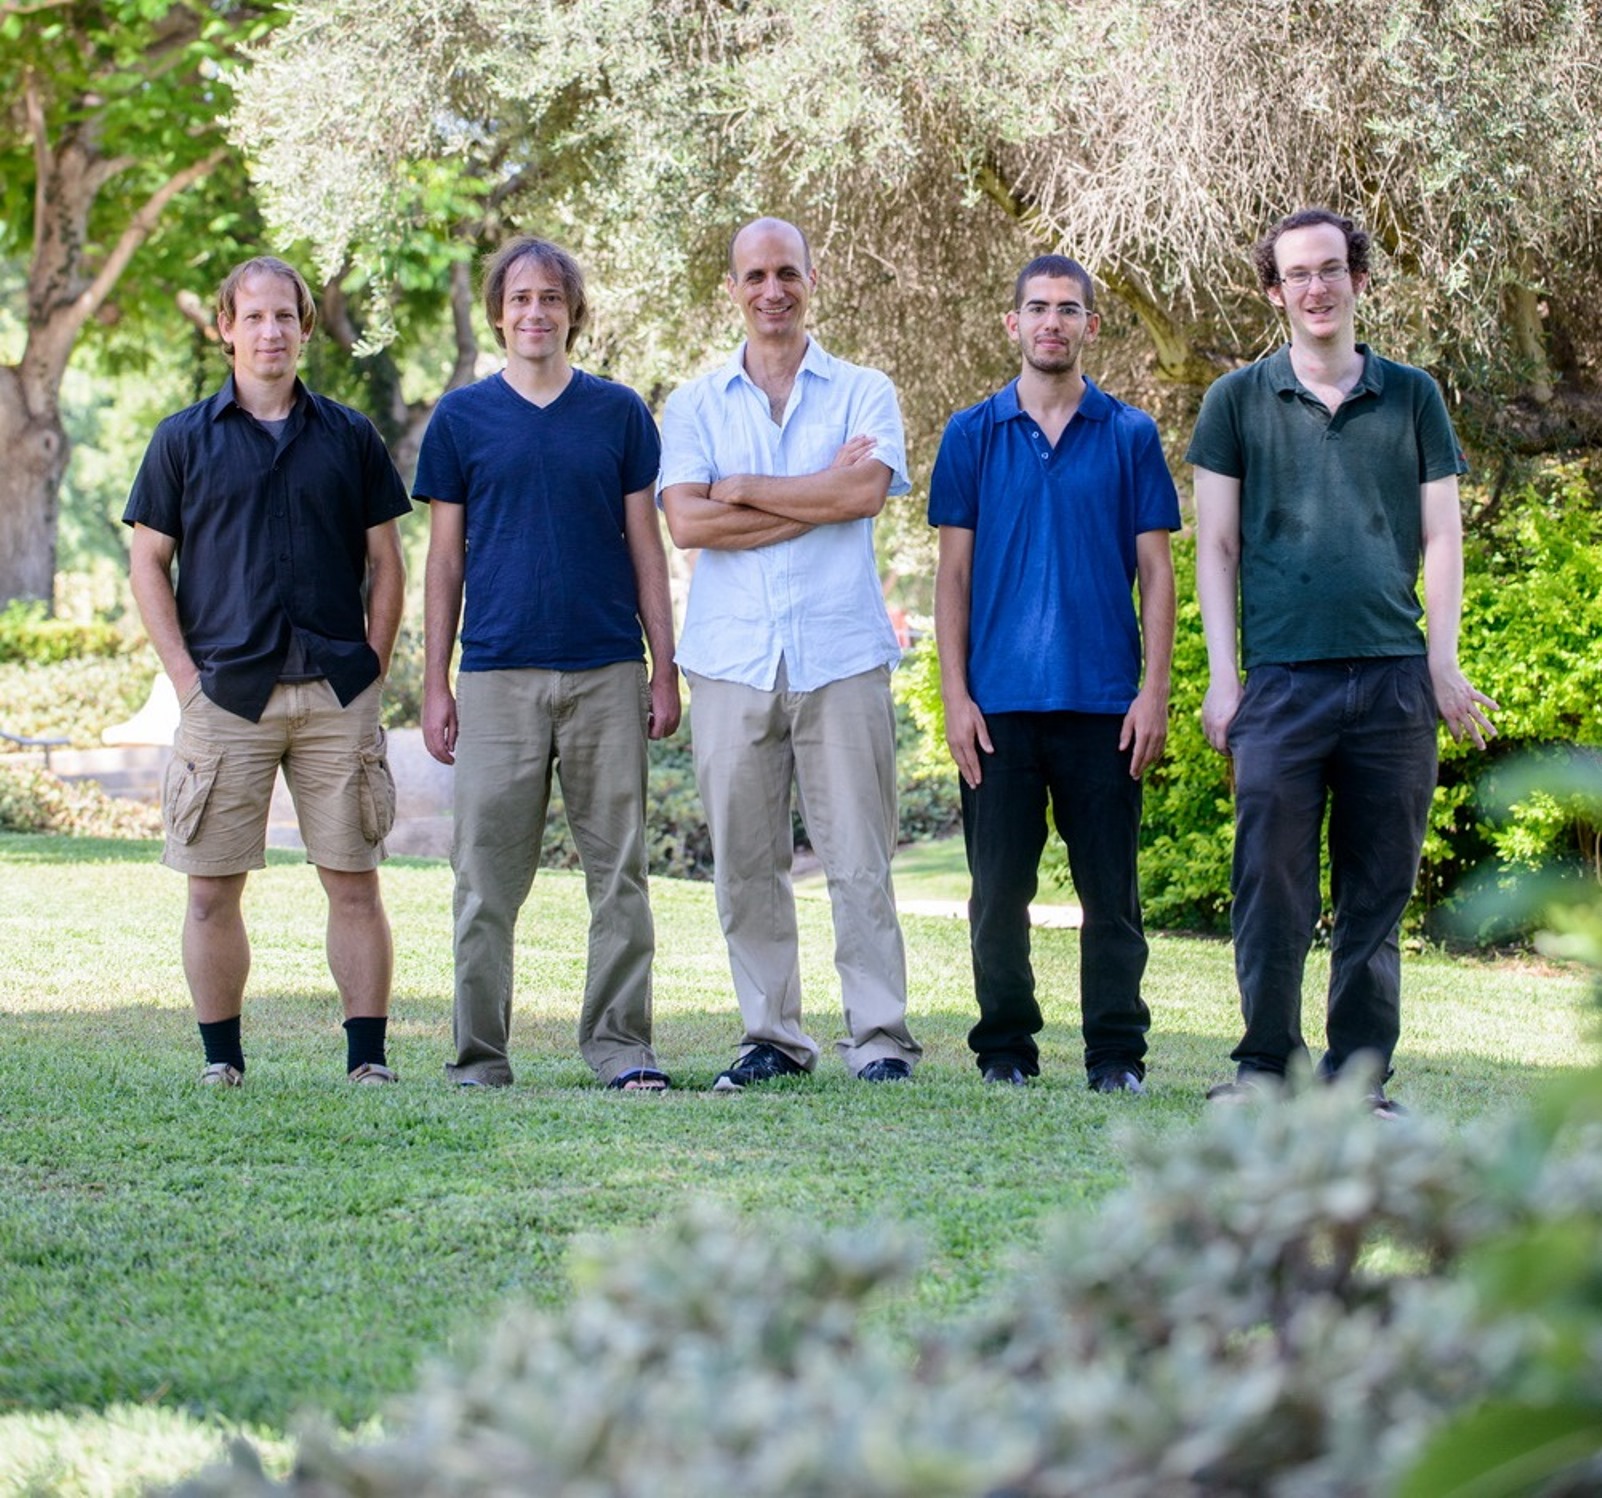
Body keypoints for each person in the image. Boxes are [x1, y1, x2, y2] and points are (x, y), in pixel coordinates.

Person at [1188, 207, 1498, 1116]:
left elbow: (1443, 536)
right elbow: (1215, 545)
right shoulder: (1236, 401)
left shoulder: (1413, 396)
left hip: (1396, 682)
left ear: (1358, 280)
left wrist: (1440, 663)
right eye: (1298, 275)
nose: (1316, 288)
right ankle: (1264, 1073)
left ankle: (1357, 1081)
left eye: (1332, 269)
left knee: (1376, 894)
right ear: (1275, 291)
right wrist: (1222, 675)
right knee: (1270, 887)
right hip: (1282, 684)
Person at [125, 255, 410, 1087]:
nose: (270, 331)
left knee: (354, 884)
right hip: (226, 696)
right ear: (225, 329)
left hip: (335, 692)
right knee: (211, 892)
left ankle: (368, 1063)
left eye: (285, 316)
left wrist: (375, 668)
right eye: (252, 317)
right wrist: (185, 682)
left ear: (306, 328)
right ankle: (223, 1063)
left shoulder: (350, 436)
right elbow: (148, 564)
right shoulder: (182, 439)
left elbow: (386, 564)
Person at [659, 216, 922, 1090]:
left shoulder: (863, 389)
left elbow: (866, 493)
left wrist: (744, 490)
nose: (773, 290)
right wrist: (816, 496)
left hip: (841, 653)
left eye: (788, 273)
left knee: (859, 855)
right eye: (756, 275)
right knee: (746, 861)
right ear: (731, 289)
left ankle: (879, 1037)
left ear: (812, 279)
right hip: (731, 662)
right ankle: (772, 1036)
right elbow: (689, 522)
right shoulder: (694, 404)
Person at [416, 235, 680, 1092]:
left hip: (607, 670)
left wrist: (663, 668)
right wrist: (435, 683)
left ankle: (620, 1048)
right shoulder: (460, 420)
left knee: (621, 879)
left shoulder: (619, 414)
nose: (536, 312)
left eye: (552, 299)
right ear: (499, 313)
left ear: (573, 314)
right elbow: (444, 561)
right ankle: (479, 1059)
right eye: (521, 299)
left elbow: (647, 548)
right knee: (485, 882)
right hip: (496, 677)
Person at [930, 255, 1179, 1093]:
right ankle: (1005, 1051)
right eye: (1037, 308)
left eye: (1069, 309)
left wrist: (1155, 691)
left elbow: (1157, 573)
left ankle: (1116, 1057)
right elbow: (953, 577)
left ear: (1089, 326)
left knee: (1112, 899)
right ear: (1013, 324)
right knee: (997, 896)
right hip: (998, 709)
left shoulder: (1130, 434)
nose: (1052, 322)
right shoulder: (971, 434)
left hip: (1105, 705)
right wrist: (955, 696)